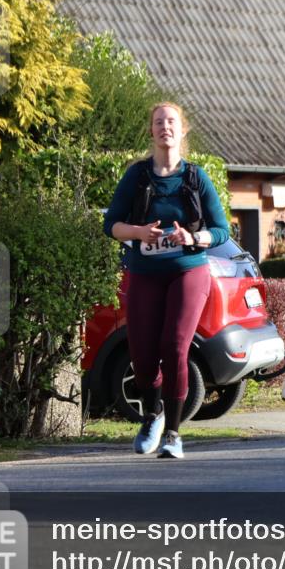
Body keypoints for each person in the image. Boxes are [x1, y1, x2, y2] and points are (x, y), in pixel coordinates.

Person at [103, 102, 230, 459]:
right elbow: (111, 224)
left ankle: (173, 433)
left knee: (174, 347)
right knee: (142, 355)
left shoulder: (196, 177)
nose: (165, 127)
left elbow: (222, 230)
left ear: (182, 129)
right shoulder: (137, 175)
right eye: (158, 122)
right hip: (145, 272)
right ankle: (152, 415)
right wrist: (139, 232)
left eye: (171, 121)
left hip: (188, 270)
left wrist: (193, 237)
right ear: (151, 131)